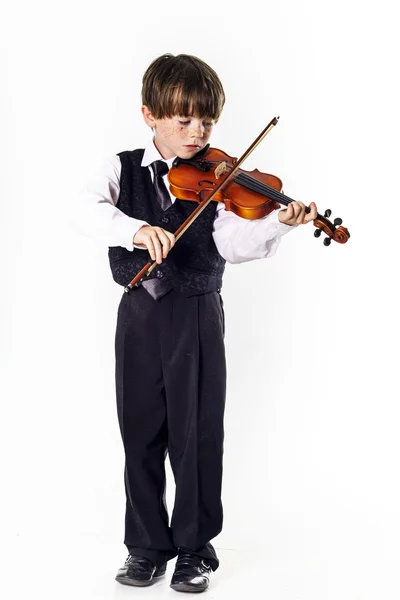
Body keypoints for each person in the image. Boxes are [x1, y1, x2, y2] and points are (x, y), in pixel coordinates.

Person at [74, 53, 317, 593]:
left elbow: (233, 243)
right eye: (183, 120)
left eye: (206, 121)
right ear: (149, 115)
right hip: (138, 311)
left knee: (197, 432)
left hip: (197, 311)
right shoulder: (120, 167)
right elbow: (82, 208)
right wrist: (135, 230)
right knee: (139, 431)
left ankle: (195, 548)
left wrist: (277, 222)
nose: (197, 132)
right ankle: (145, 547)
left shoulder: (223, 178)